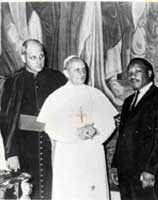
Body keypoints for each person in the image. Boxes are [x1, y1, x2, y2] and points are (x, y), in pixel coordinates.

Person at [37, 56, 118, 200]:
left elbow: (109, 122)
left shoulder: (95, 94)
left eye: (83, 70)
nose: (81, 74)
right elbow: (50, 126)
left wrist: (96, 131)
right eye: (76, 70)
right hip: (68, 153)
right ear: (66, 73)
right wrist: (75, 132)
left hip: (92, 151)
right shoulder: (57, 97)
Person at [0, 39, 67, 199]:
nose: (39, 61)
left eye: (41, 56)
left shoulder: (57, 78)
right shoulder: (14, 81)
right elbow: (7, 120)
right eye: (33, 57)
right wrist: (12, 153)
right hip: (25, 145)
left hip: (54, 142)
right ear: (23, 58)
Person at [111, 58, 158, 200]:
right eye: (130, 73)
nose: (133, 76)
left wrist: (151, 170)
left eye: (138, 71)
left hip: (146, 175)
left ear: (150, 73)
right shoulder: (128, 102)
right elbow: (122, 136)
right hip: (126, 173)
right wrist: (116, 165)